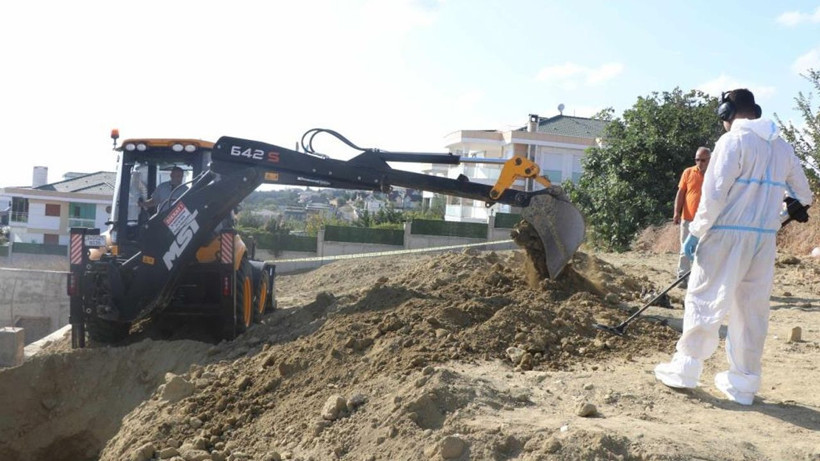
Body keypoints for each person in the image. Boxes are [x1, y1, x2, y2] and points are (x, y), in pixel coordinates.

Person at [654, 89, 813, 405]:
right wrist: (780, 217)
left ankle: (686, 369)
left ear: (727, 113)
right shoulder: (782, 147)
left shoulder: (732, 142)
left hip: (725, 235)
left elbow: (714, 195)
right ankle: (743, 385)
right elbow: (804, 195)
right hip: (762, 241)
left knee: (704, 298)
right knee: (751, 311)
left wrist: (697, 233)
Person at [673, 147, 711, 288]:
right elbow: (681, 193)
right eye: (697, 159)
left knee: (703, 251)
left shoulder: (714, 174)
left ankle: (700, 278)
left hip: (706, 220)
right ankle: (682, 277)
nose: (699, 163)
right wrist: (677, 211)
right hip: (688, 218)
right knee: (685, 248)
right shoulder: (688, 172)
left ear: (709, 160)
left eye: (703, 160)